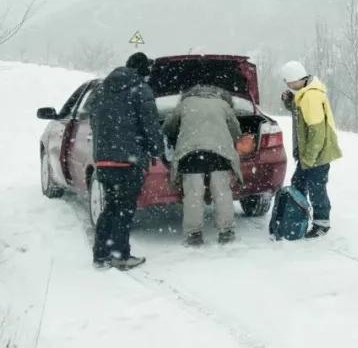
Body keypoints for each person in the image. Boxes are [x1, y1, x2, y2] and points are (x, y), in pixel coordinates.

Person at [87, 52, 165, 270]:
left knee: (111, 207)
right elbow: (150, 124)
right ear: (143, 70)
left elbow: (93, 119)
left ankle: (100, 255)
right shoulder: (140, 89)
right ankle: (121, 256)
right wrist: (157, 150)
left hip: (104, 161)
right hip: (129, 161)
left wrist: (105, 147)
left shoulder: (100, 90)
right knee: (124, 209)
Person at [163, 85, 244, 246]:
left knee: (193, 195)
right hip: (219, 154)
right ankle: (226, 232)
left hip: (191, 154)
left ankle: (194, 235)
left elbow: (168, 127)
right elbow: (236, 131)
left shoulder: (185, 104)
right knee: (222, 193)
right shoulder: (223, 105)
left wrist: (178, 134)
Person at [280, 61, 342, 238]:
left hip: (316, 154)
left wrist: (309, 157)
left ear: (295, 79)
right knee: (298, 184)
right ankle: (297, 217)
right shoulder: (305, 93)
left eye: (288, 82)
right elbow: (300, 114)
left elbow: (317, 131)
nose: (288, 86)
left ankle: (322, 224)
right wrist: (290, 102)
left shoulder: (311, 96)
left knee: (316, 187)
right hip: (309, 154)